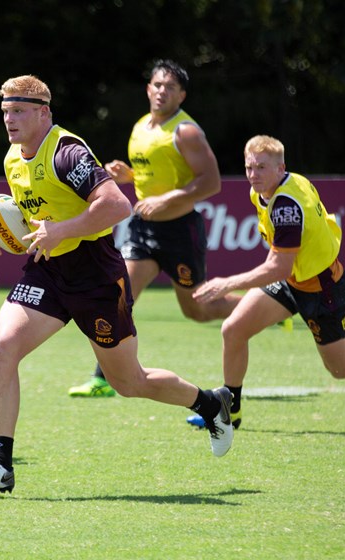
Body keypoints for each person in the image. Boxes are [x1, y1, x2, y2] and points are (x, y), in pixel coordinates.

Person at [0, 75, 234, 494]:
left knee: (128, 383)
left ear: (43, 113)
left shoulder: (67, 152)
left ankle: (210, 403)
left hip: (96, 275)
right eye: (5, 112)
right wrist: (6, 232)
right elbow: (34, 211)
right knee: (2, 349)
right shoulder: (13, 158)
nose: (10, 120)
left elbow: (117, 205)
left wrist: (61, 230)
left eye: (18, 112)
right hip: (49, 271)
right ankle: (1, 467)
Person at [188, 134, 345, 428]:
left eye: (261, 167)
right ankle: (229, 412)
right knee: (233, 330)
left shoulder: (286, 206)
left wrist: (227, 283)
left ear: (280, 167)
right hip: (294, 280)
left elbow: (278, 267)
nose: (253, 174)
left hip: (323, 290)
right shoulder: (270, 188)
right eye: (249, 167)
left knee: (344, 367)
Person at [67, 59, 242, 400]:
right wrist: (129, 177)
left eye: (171, 87)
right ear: (148, 89)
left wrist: (167, 200)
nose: (162, 91)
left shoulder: (186, 131)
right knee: (117, 294)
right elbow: (155, 176)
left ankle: (263, 307)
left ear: (182, 95)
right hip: (143, 229)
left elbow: (211, 182)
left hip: (180, 231)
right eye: (158, 85)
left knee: (197, 309)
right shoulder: (141, 127)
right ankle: (103, 377)